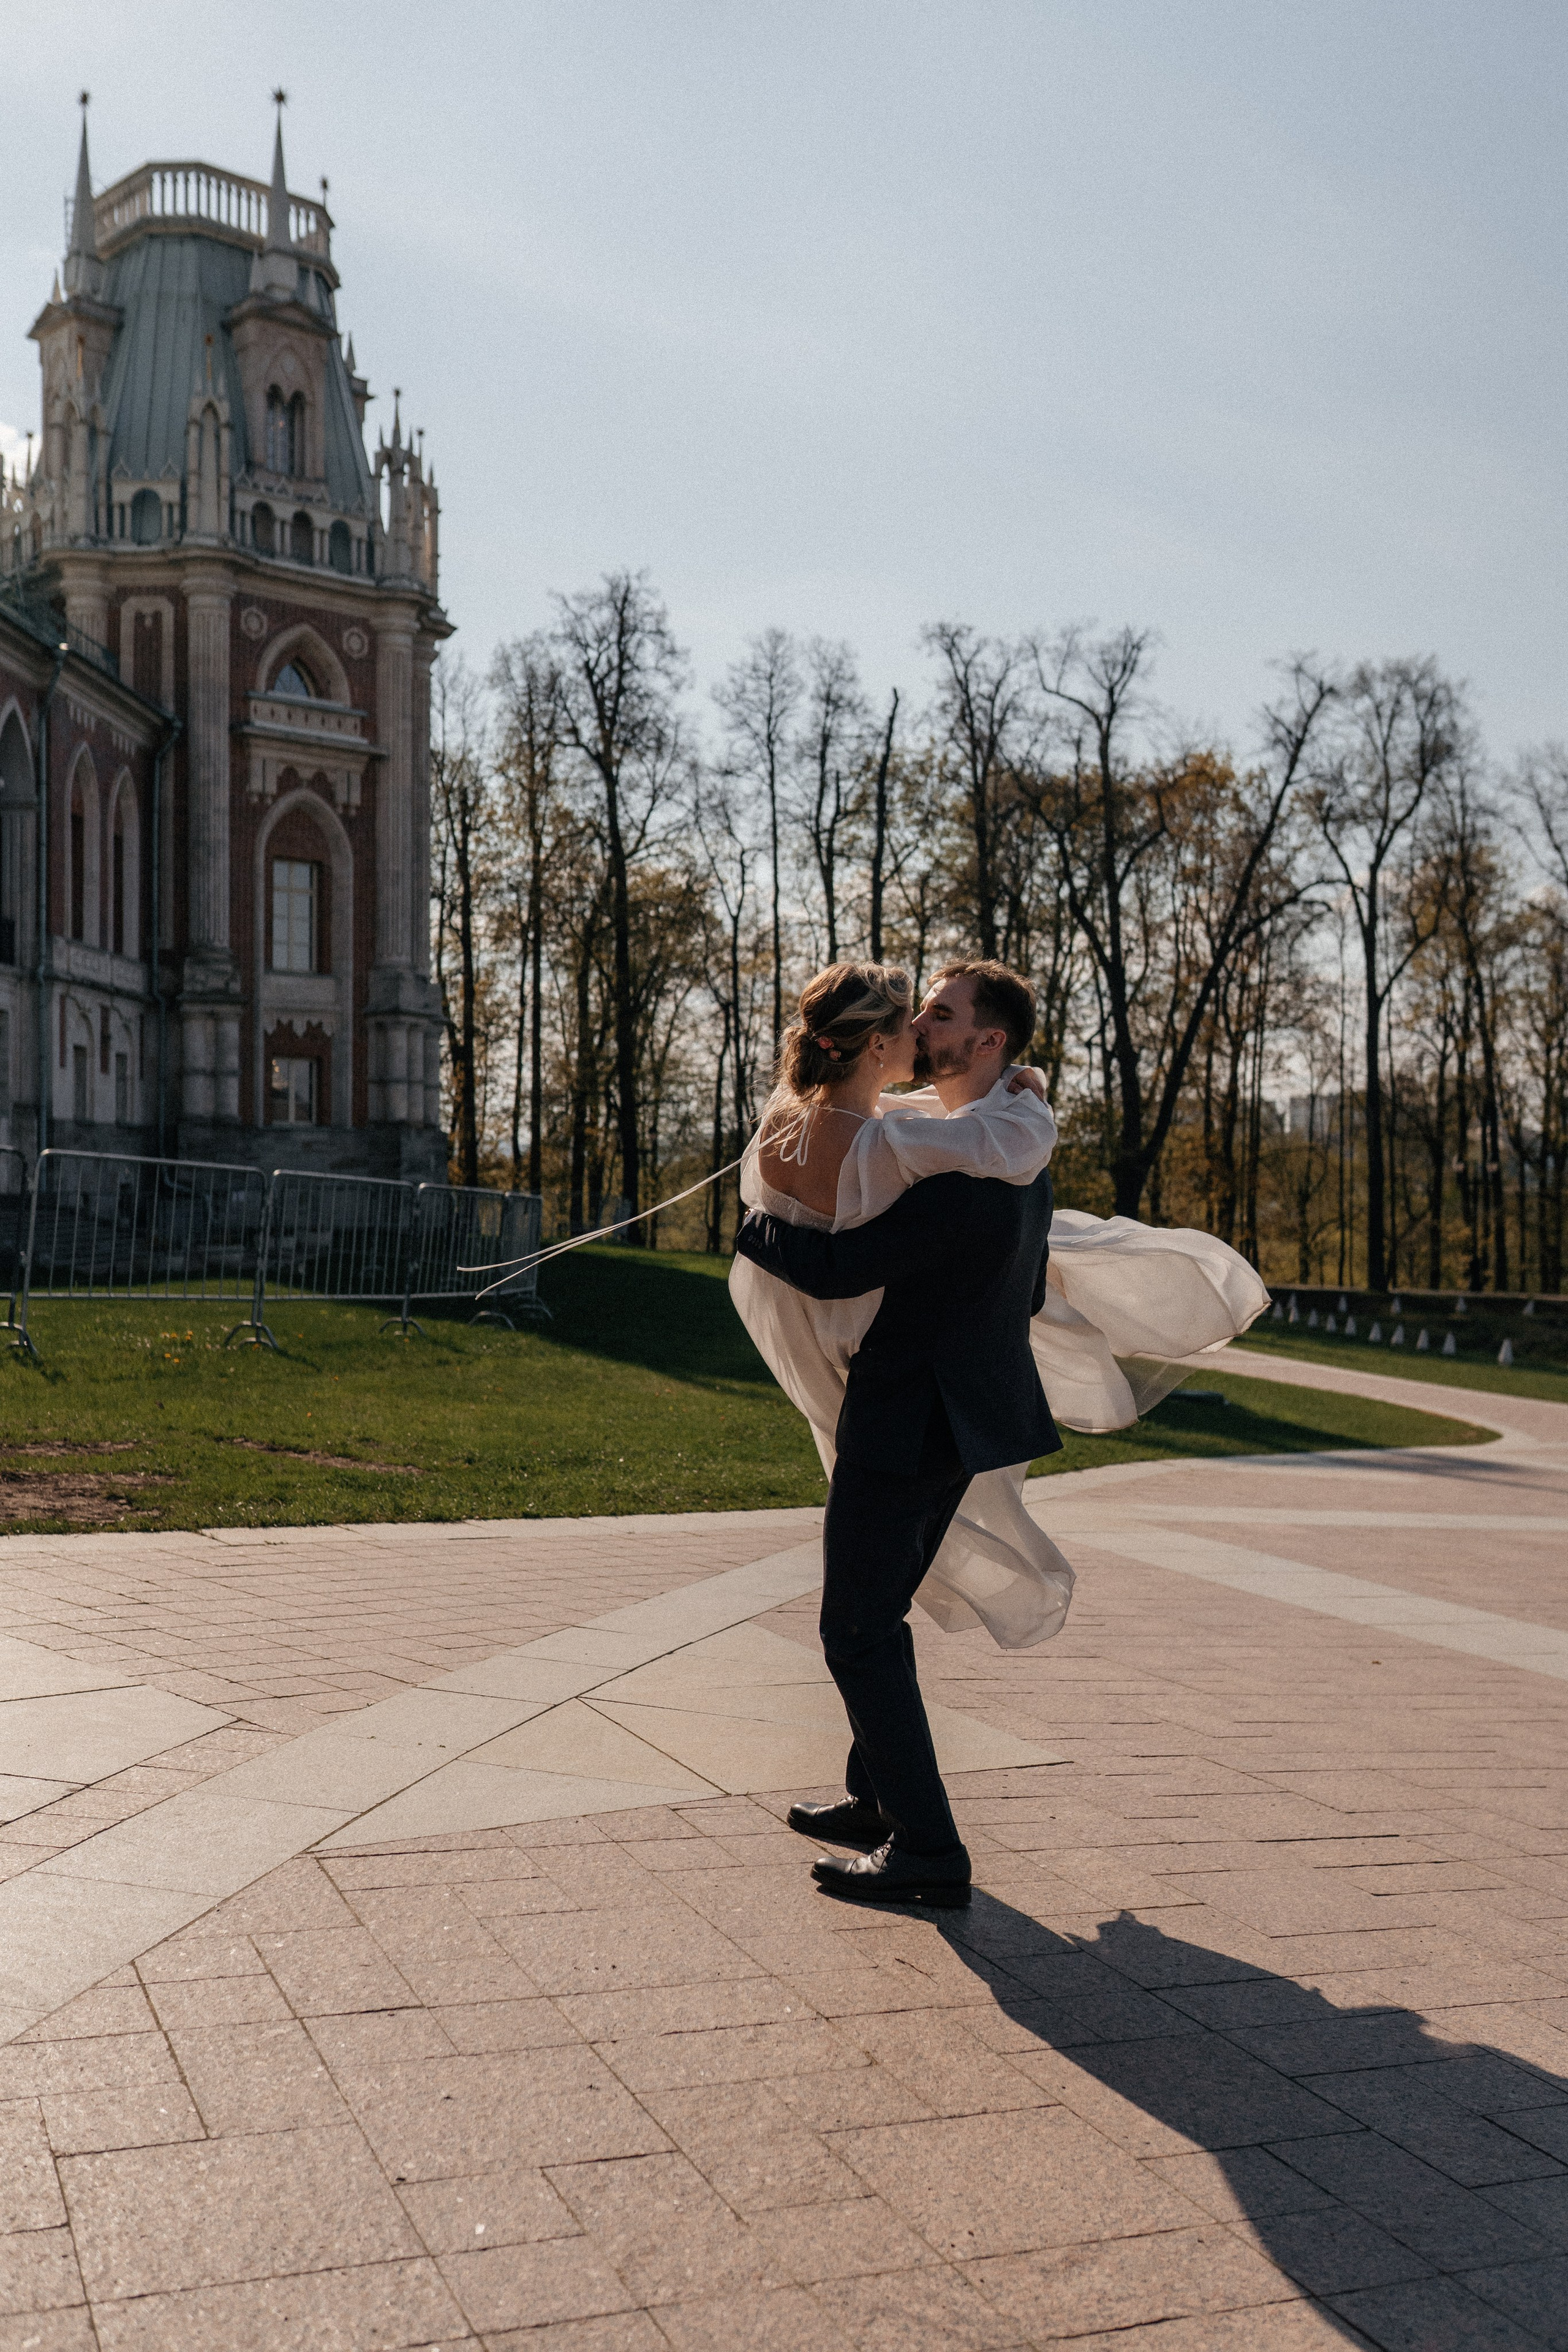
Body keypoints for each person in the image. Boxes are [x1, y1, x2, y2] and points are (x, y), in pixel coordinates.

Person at [733, 958, 1058, 1909]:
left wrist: (751, 1231)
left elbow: (842, 1269)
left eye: (943, 1015)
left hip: (911, 1415)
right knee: (880, 1613)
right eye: (918, 1012)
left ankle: (928, 1850)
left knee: (856, 1630)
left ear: (987, 1040)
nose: (923, 1025)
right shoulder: (1003, 1136)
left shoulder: (962, 1164)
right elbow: (1029, 1282)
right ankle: (875, 1799)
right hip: (961, 1411)